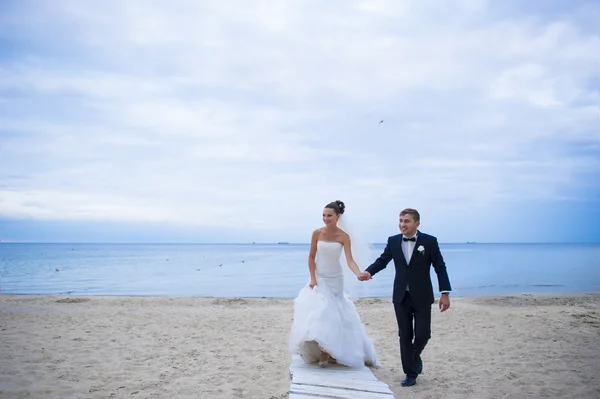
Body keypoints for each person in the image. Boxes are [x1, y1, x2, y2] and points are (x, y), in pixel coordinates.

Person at [359, 208, 451, 387]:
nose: (402, 224)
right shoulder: (393, 241)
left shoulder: (429, 242)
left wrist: (445, 293)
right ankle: (410, 373)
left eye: (407, 221)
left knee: (423, 334)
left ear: (417, 224)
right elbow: (383, 260)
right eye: (400, 220)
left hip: (422, 296)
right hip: (401, 296)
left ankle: (415, 356)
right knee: (405, 336)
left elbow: (440, 267)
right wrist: (369, 271)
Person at [288, 200, 379, 368]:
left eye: (329, 215)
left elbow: (349, 260)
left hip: (336, 279)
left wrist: (358, 273)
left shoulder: (343, 236)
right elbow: (311, 257)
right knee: (321, 313)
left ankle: (329, 352)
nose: (325, 218)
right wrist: (313, 278)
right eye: (323, 215)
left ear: (337, 216)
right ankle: (323, 351)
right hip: (320, 277)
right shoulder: (317, 233)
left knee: (334, 315)